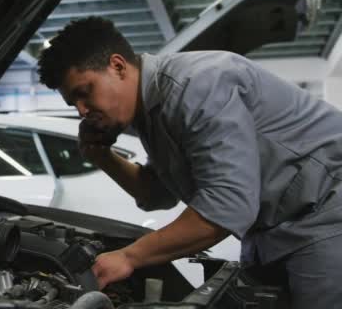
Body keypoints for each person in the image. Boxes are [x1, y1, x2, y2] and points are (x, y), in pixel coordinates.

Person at [37, 17, 342, 308]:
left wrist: (129, 257)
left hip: (326, 213)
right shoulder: (151, 112)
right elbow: (158, 194)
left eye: (84, 93)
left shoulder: (195, 86)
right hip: (273, 229)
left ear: (117, 66)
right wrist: (101, 156)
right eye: (72, 102)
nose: (80, 111)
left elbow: (228, 205)